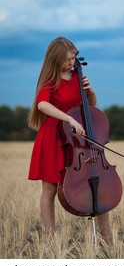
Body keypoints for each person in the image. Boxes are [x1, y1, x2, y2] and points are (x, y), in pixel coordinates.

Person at [28, 37, 113, 245]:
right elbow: (42, 105)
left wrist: (91, 91)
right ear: (56, 59)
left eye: (74, 58)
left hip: (78, 139)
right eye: (68, 59)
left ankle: (108, 240)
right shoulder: (50, 80)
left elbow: (90, 106)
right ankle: (51, 240)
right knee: (49, 190)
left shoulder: (78, 76)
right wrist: (68, 118)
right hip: (54, 138)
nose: (72, 63)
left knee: (96, 185)